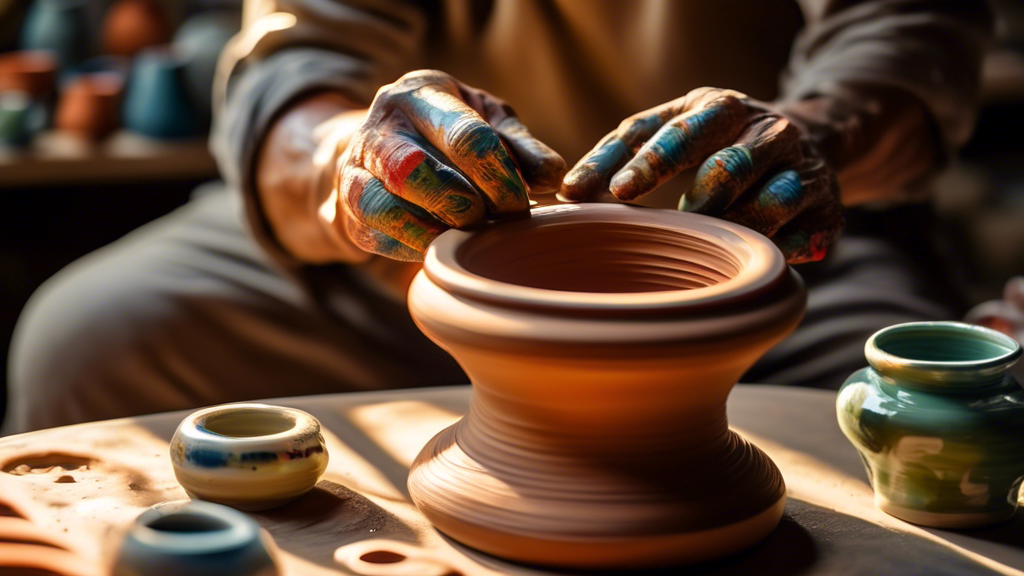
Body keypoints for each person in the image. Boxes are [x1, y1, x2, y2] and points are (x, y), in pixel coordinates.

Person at [3, 0, 992, 433]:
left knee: (942, 421)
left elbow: (903, 36)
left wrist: (813, 134)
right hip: (424, 238)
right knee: (93, 336)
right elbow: (299, 63)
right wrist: (352, 162)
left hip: (751, 241)